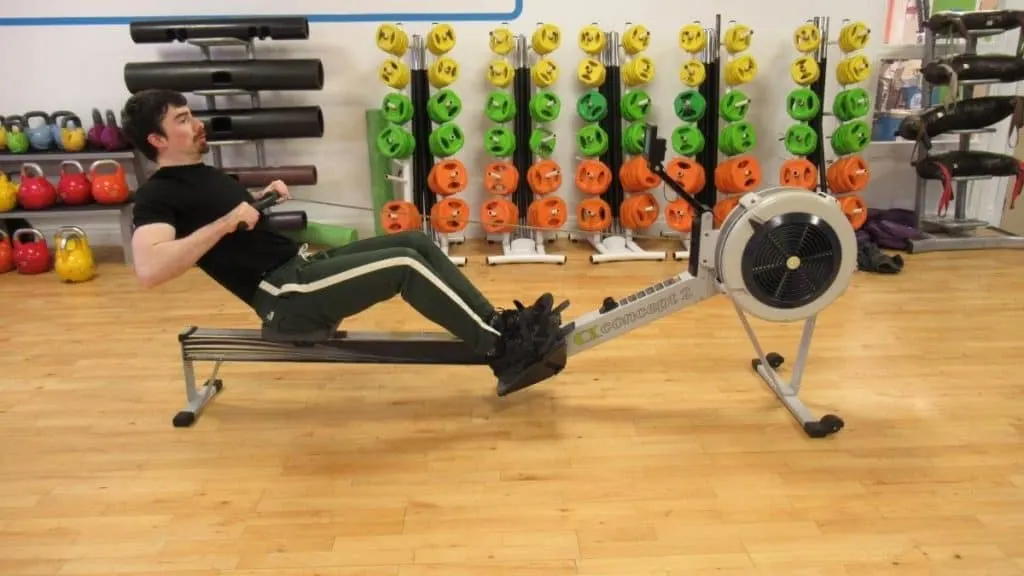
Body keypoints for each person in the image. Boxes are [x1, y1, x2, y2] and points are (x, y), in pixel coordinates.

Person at [121, 88, 570, 395]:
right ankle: (501, 351)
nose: (197, 124)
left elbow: (236, 228)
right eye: (182, 120)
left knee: (414, 241)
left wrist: (260, 201)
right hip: (283, 296)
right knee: (403, 269)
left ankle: (498, 323)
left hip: (298, 270)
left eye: (191, 114)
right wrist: (224, 223)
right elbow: (151, 269)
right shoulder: (157, 194)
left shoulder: (202, 173)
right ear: (157, 140)